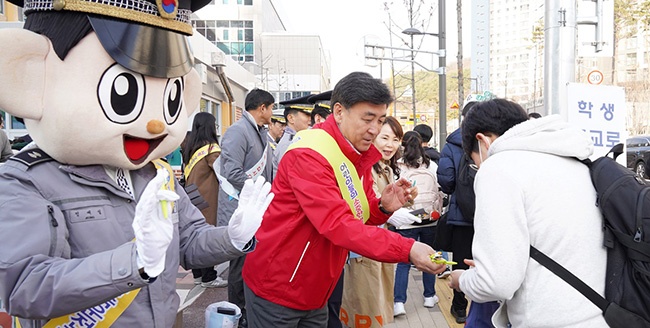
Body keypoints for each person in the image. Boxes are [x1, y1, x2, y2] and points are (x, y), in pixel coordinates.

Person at [0, 1, 274, 326]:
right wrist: (134, 261)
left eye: (170, 97)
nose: (156, 123)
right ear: (29, 76)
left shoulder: (155, 174)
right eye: (124, 92)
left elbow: (189, 241)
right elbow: (23, 286)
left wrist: (233, 237)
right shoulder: (24, 182)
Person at [242, 72, 445, 328]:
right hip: (279, 287)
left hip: (317, 288)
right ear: (338, 112)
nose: (374, 129)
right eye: (367, 118)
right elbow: (338, 225)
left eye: (380, 120)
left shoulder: (353, 154)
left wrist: (382, 206)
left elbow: (356, 213)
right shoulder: (309, 155)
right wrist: (407, 249)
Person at [449, 99, 608, 328]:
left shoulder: (499, 168)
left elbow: (496, 282)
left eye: (476, 163)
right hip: (602, 316)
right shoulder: (578, 162)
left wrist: (462, 280)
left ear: (482, 140)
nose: (479, 168)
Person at [340, 116, 421, 327]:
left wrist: (402, 201)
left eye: (395, 139)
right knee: (363, 310)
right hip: (363, 251)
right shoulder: (362, 169)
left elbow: (381, 206)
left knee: (377, 307)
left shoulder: (383, 167)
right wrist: (390, 211)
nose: (390, 145)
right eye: (384, 137)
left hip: (380, 247)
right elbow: (362, 210)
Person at [216, 88, 276, 328]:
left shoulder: (259, 132)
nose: (272, 112)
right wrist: (258, 191)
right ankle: (237, 313)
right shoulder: (238, 132)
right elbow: (231, 172)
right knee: (240, 264)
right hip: (241, 208)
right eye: (271, 108)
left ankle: (249, 310)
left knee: (252, 261)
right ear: (262, 107)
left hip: (255, 207)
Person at [393, 131, 445, 316]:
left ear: (404, 146)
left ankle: (398, 302)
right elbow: (440, 189)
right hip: (429, 219)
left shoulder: (397, 167)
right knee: (430, 257)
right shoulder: (432, 166)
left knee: (403, 263)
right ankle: (429, 297)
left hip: (406, 220)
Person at [182, 112, 227, 288]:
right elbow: (223, 172)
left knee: (194, 232)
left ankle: (198, 275)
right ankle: (209, 276)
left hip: (192, 194)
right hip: (207, 197)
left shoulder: (190, 146)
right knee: (207, 234)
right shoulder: (211, 150)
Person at [273, 95, 313, 173]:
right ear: (291, 118)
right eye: (307, 115)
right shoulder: (288, 145)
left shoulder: (297, 140)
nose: (310, 120)